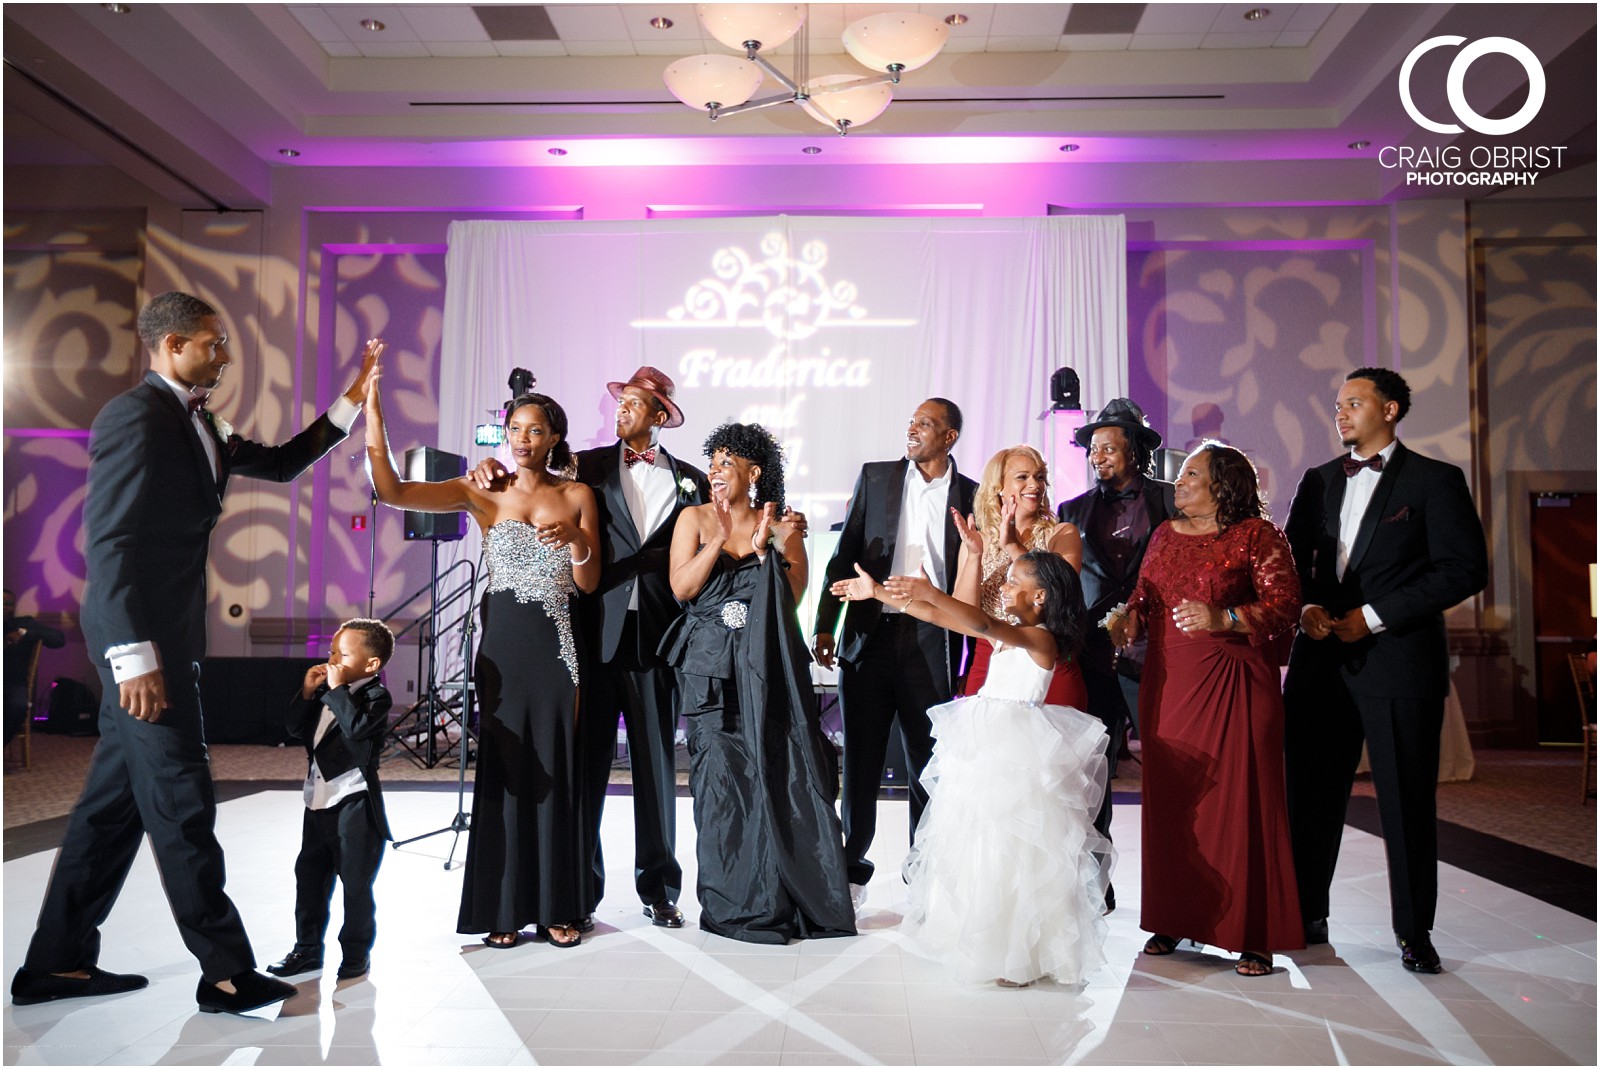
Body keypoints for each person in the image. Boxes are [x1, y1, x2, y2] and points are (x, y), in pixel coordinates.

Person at [11, 291, 381, 1015]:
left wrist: (350, 403)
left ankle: (53, 962)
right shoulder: (135, 416)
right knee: (183, 803)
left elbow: (278, 463)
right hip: (145, 651)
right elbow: (109, 542)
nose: (225, 354)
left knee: (108, 816)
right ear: (173, 345)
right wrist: (130, 658)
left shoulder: (201, 417)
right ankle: (224, 971)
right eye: (212, 344)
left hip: (166, 644)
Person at [366, 370, 601, 950]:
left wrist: (575, 539)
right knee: (503, 769)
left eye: (535, 430)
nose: (521, 438)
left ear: (553, 438)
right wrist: (372, 409)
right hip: (501, 648)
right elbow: (393, 490)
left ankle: (556, 907)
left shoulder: (577, 495)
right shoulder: (482, 492)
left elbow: (589, 582)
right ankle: (502, 907)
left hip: (556, 646)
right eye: (514, 428)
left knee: (555, 770)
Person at [472, 367, 709, 930]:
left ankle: (660, 887)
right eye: (619, 400)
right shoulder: (585, 468)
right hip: (590, 636)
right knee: (584, 767)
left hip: (657, 637)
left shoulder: (691, 480)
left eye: (635, 402)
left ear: (660, 415)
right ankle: (581, 890)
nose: (622, 409)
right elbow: (530, 483)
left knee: (656, 768)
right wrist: (489, 466)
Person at [1282, 368, 1488, 975]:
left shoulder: (1435, 480)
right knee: (1310, 797)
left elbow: (1462, 569)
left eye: (1354, 403)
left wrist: (1371, 617)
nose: (1340, 413)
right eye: (1337, 404)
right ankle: (1306, 914)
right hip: (1321, 662)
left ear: (1391, 410)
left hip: (1397, 661)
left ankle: (1413, 932)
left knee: (1404, 802)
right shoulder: (1319, 480)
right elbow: (1287, 565)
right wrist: (1306, 608)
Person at [831, 551, 1110, 987]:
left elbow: (980, 623)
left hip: (1017, 752)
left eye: (1013, 581)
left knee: (1016, 847)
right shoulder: (1014, 634)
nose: (1004, 588)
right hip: (983, 747)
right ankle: (985, 940)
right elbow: (942, 619)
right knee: (979, 840)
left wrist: (933, 591)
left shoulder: (1040, 640)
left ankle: (1023, 952)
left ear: (1040, 597)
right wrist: (881, 594)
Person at [1109, 442, 1303, 977]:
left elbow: (1285, 606)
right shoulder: (1165, 535)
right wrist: (1128, 621)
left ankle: (1254, 933)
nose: (1179, 483)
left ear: (1222, 485)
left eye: (1191, 474)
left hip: (1235, 679)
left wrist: (1226, 616)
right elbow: (1145, 598)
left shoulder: (1257, 536)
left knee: (1243, 803)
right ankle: (1174, 918)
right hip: (1170, 683)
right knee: (1176, 803)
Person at [661, 423, 855, 944]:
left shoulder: (785, 528)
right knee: (720, 787)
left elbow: (789, 599)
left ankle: (778, 897)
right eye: (714, 462)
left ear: (754, 473)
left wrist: (768, 545)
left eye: (728, 463)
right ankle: (731, 903)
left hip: (769, 667)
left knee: (776, 777)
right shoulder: (693, 518)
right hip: (710, 669)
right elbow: (681, 587)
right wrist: (721, 540)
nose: (716, 472)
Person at [813, 399, 978, 908]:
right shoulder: (878, 476)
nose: (912, 431)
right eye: (909, 423)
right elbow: (846, 552)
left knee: (928, 762)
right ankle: (852, 870)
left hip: (933, 639)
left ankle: (923, 871)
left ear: (949, 437)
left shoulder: (971, 494)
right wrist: (825, 623)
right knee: (860, 760)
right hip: (870, 633)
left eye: (924, 425)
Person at [1056, 399, 1175, 866]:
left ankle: (1172, 878)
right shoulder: (1071, 510)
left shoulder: (1170, 500)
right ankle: (1093, 877)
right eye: (1093, 449)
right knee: (1091, 771)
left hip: (1159, 652)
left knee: (1166, 768)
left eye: (1109, 447)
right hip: (1092, 656)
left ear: (1136, 452)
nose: (1097, 456)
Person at [266, 618, 396, 983]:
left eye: (343, 653)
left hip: (354, 803)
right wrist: (308, 693)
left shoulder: (376, 697)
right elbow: (295, 728)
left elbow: (356, 731)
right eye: (332, 651)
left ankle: (355, 954)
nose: (333, 658)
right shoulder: (328, 691)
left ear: (371, 665)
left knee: (355, 885)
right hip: (318, 801)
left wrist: (337, 691)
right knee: (308, 878)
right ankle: (306, 949)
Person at [951, 444, 1085, 706]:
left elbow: (1059, 593)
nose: (1034, 484)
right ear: (998, 486)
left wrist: (1012, 545)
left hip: (1046, 660)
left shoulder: (1062, 534)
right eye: (1022, 477)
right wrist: (975, 556)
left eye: (1039, 476)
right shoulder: (977, 540)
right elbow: (964, 613)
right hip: (990, 659)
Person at [4, 588, 66, 744]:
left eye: (8, 604)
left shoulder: (23, 623)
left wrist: (23, 633)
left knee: (17, 706)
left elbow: (59, 639)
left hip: (13, 683)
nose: (4, 607)